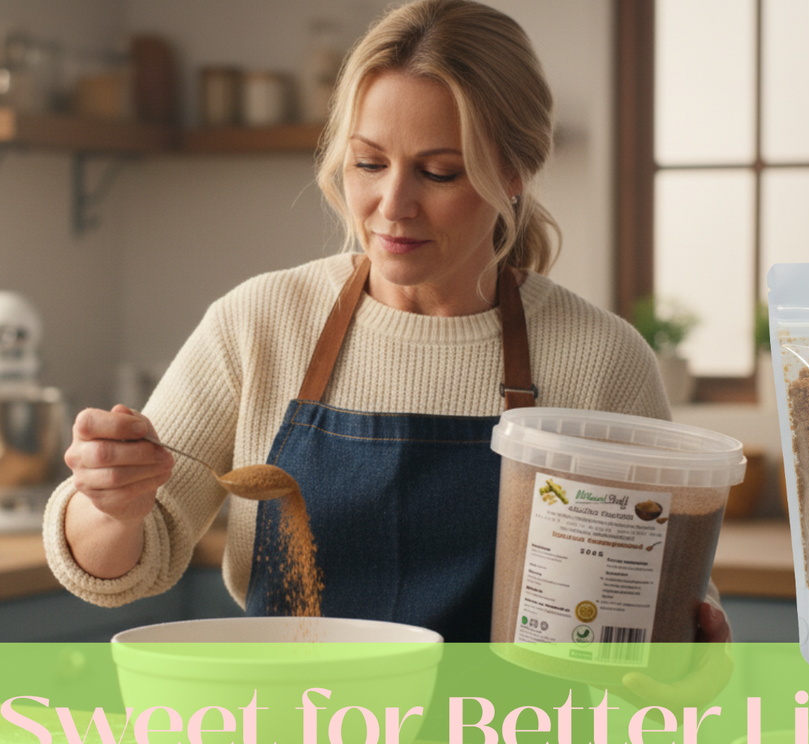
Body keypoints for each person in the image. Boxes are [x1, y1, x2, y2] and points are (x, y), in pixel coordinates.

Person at [44, 0, 731, 675]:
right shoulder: (260, 323)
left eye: (438, 171)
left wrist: (690, 659)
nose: (392, 205)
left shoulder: (598, 361)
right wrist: (112, 501)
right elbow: (126, 560)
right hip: (296, 741)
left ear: (514, 172)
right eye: (369, 162)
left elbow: (658, 619)